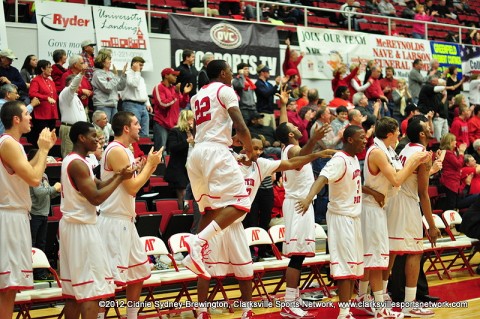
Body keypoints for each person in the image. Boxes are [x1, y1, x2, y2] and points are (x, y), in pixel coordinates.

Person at [197, 137, 335, 319]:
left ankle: (247, 311)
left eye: (260, 149)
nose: (257, 152)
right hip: (217, 222)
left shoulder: (261, 165)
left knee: (246, 271)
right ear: (243, 145)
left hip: (236, 225)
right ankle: (201, 311)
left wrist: (316, 154)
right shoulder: (228, 161)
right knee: (206, 271)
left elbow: (292, 162)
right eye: (253, 148)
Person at [182, 60, 255, 280]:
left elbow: (202, 128)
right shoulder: (226, 90)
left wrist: (227, 140)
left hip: (197, 153)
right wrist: (249, 148)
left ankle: (195, 255)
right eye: (231, 72)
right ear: (223, 73)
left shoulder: (197, 96)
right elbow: (241, 125)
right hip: (215, 152)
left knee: (209, 211)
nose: (232, 76)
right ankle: (197, 242)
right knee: (242, 204)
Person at [354, 117, 429, 319]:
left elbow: (398, 176)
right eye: (397, 131)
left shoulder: (388, 151)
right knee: (377, 260)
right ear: (390, 133)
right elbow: (397, 179)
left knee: (378, 258)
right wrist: (413, 162)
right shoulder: (378, 152)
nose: (400, 134)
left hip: (382, 206)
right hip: (373, 209)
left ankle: (374, 301)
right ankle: (378, 306)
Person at [60, 121, 133, 319]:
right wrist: (120, 179)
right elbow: (96, 197)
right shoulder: (77, 164)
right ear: (81, 138)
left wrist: (119, 174)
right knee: (91, 291)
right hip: (81, 228)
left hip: (72, 226)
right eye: (93, 136)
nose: (98, 139)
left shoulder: (77, 160)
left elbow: (99, 184)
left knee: (74, 292)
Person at [297, 125, 371, 319]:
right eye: (361, 137)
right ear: (349, 139)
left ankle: (348, 309)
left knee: (353, 268)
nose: (365, 140)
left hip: (353, 217)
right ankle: (344, 313)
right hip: (341, 218)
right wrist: (308, 198)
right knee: (345, 268)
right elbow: (322, 178)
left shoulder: (354, 158)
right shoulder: (339, 160)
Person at [97, 112, 163, 319]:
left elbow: (132, 185)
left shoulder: (124, 150)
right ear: (126, 128)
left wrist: (142, 168)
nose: (139, 127)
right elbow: (132, 188)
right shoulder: (116, 150)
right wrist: (151, 166)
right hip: (113, 221)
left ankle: (131, 316)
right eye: (135, 124)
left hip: (126, 220)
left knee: (138, 273)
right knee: (109, 280)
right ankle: (99, 316)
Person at [275, 85, 331, 318]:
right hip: (299, 203)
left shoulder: (287, 144)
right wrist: (315, 146)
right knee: (296, 256)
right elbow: (302, 152)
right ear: (290, 135)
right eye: (294, 127)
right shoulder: (292, 150)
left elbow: (283, 130)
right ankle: (289, 303)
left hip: (300, 203)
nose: (298, 126)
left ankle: (294, 299)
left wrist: (283, 106)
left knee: (300, 255)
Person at [0, 100, 56, 318]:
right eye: (26, 114)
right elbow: (34, 179)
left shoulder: (12, 144)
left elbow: (29, 173)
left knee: (10, 286)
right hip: (9, 216)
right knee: (7, 286)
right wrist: (42, 150)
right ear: (16, 119)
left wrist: (45, 150)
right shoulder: (9, 144)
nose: (31, 117)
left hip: (15, 215)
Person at [385, 119, 440, 317]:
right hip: (407, 205)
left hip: (393, 202)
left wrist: (431, 169)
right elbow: (423, 193)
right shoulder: (424, 155)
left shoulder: (405, 148)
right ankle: (409, 304)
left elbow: (409, 176)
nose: (431, 126)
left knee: (391, 252)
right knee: (414, 253)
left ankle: (382, 298)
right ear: (423, 134)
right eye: (427, 124)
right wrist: (431, 226)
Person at [27, 148, 61, 280]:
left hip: (43, 213)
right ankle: (29, 272)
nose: (46, 161)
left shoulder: (44, 175)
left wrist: (57, 191)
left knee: (41, 244)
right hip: (34, 214)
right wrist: (54, 188)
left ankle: (40, 273)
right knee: (32, 244)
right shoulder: (32, 174)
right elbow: (39, 193)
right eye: (43, 159)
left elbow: (46, 196)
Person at [152, 67, 192, 152]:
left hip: (173, 125)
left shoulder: (174, 88)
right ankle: (158, 166)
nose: (176, 77)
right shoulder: (158, 87)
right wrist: (176, 94)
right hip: (161, 123)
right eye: (173, 75)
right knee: (160, 150)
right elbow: (163, 104)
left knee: (172, 150)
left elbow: (183, 104)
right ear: (166, 75)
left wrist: (185, 94)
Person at [164, 110, 195, 211]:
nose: (191, 122)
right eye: (190, 119)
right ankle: (183, 216)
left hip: (191, 168)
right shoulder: (175, 131)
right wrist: (187, 142)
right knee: (183, 194)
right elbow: (172, 148)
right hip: (179, 169)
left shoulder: (195, 132)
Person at [59, 67, 89, 158]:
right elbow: (73, 86)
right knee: (69, 155)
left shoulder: (75, 96)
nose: (80, 86)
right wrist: (80, 75)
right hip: (69, 128)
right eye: (78, 84)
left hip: (77, 130)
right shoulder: (66, 93)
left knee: (77, 155)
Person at [121, 57, 153, 137]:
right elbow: (134, 84)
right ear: (134, 64)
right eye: (140, 65)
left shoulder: (140, 78)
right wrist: (137, 71)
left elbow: (143, 91)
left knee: (145, 133)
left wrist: (148, 103)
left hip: (143, 106)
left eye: (142, 65)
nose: (141, 67)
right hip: (131, 105)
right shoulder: (127, 74)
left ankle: (142, 149)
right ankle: (133, 149)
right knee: (133, 132)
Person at [29, 60, 58, 146]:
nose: (51, 69)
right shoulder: (36, 80)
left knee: (50, 137)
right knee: (43, 138)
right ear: (42, 69)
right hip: (41, 114)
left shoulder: (51, 81)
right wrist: (46, 97)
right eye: (49, 67)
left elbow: (55, 96)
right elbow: (32, 93)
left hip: (52, 113)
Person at [91, 51, 127, 122]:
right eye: (109, 60)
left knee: (114, 130)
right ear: (103, 62)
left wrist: (123, 75)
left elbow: (120, 87)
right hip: (103, 105)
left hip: (113, 105)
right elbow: (107, 88)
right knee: (103, 130)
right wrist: (116, 76)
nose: (110, 62)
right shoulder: (97, 74)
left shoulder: (111, 74)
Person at [255, 64, 280, 129]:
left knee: (273, 133)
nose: (269, 73)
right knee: (265, 132)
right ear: (262, 73)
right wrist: (276, 85)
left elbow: (276, 92)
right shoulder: (258, 84)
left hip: (271, 112)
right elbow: (266, 94)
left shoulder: (269, 84)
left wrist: (283, 84)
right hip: (263, 112)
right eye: (267, 71)